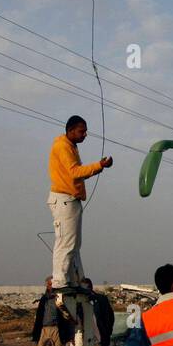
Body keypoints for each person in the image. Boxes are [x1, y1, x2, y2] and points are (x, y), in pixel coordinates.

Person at [47, 115, 112, 291]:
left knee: (74, 244)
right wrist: (99, 165)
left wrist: (99, 167)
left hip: (70, 200)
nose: (85, 135)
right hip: (64, 200)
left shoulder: (70, 146)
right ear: (70, 130)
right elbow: (75, 172)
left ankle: (75, 280)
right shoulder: (62, 146)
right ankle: (60, 281)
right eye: (81, 131)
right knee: (65, 242)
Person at [31, 277, 76, 346]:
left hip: (56, 329)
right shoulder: (44, 299)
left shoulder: (60, 298)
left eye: (51, 284)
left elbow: (65, 315)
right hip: (44, 329)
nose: (50, 286)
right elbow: (39, 316)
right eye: (48, 284)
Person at [82, 278, 115, 346]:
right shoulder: (78, 302)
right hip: (86, 342)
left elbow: (110, 316)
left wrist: (108, 332)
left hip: (101, 339)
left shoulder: (101, 299)